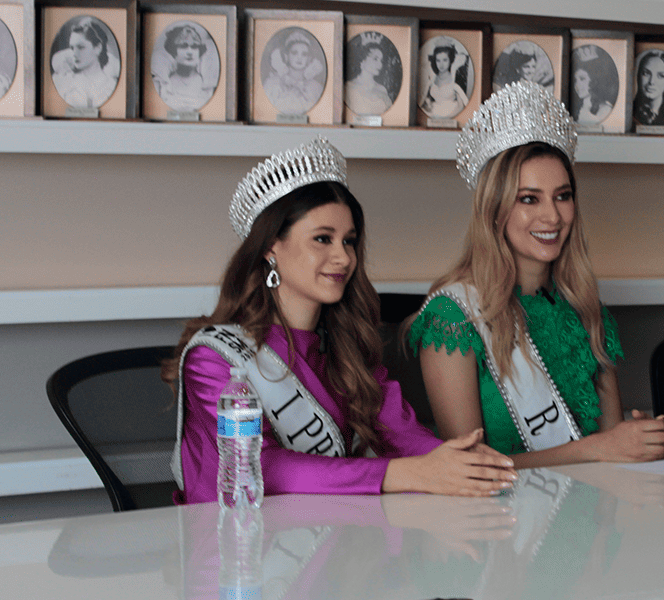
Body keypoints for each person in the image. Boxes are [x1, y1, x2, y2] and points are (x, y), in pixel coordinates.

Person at [166, 137, 517, 503]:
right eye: (323, 239)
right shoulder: (215, 359)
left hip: (336, 536)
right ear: (271, 247)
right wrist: (404, 473)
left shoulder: (343, 345)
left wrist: (460, 460)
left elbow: (400, 431)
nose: (344, 257)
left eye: (349, 241)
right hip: (238, 547)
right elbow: (264, 467)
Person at [406, 80, 664, 467]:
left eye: (563, 196)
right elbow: (467, 470)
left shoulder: (584, 309)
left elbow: (612, 453)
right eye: (529, 199)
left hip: (593, 516)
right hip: (500, 524)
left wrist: (640, 442)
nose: (552, 216)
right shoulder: (453, 318)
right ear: (494, 209)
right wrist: (595, 449)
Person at [50, 17, 119, 109]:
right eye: (72, 48)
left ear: (98, 48)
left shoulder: (111, 85)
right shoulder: (63, 82)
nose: (74, 54)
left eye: (81, 47)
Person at [152, 22, 215, 112]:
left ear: (199, 51)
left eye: (194, 46)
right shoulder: (163, 85)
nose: (189, 52)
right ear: (173, 51)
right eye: (183, 46)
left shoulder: (208, 86)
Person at [263, 29, 325, 115]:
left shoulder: (315, 88)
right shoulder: (272, 84)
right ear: (286, 56)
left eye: (304, 54)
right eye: (294, 53)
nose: (299, 58)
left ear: (308, 59)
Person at [569, 46, 616, 125]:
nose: (577, 84)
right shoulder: (575, 108)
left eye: (582, 79)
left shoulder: (605, 110)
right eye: (575, 80)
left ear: (594, 80)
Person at [345, 41, 393, 116]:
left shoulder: (382, 89)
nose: (380, 64)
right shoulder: (349, 87)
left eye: (381, 61)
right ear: (362, 61)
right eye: (375, 59)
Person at [420, 44, 467, 119]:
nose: (441, 64)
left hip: (454, 114)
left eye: (445, 60)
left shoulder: (455, 79)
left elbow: (465, 103)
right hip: (433, 114)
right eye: (438, 60)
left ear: (450, 60)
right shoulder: (432, 79)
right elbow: (421, 102)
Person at [633, 50, 664, 127]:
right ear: (638, 77)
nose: (651, 81)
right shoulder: (628, 112)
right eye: (646, 73)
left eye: (661, 76)